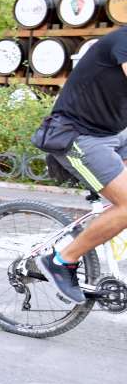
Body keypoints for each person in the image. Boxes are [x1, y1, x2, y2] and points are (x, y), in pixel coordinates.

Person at [32, 26, 127, 303]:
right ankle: (63, 260)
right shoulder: (123, 40)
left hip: (114, 133)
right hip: (78, 136)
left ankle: (107, 225)